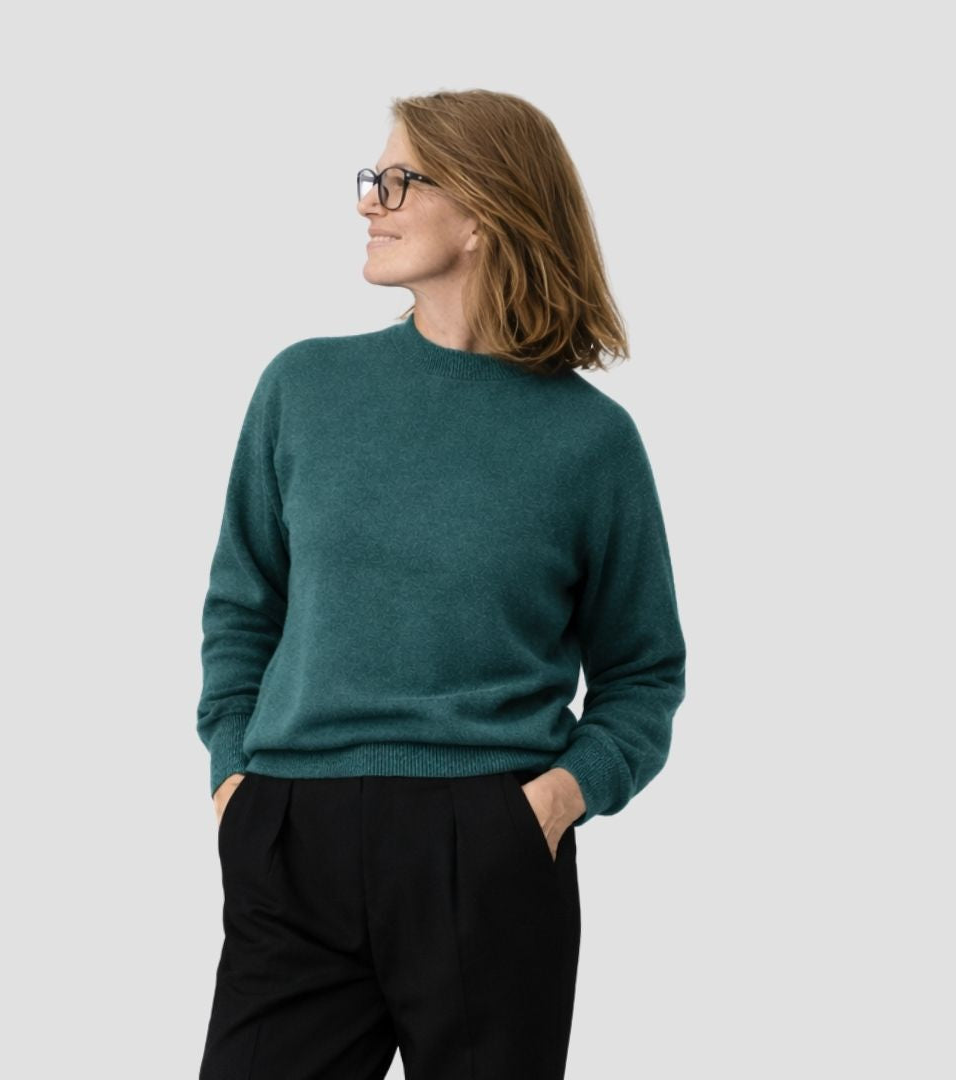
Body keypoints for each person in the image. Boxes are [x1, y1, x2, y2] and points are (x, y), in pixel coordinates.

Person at [195, 88, 687, 1079]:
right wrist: (234, 780)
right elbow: (242, 610)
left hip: (488, 840)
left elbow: (643, 673)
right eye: (371, 179)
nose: (367, 202)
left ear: (482, 215)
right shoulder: (305, 388)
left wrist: (558, 799)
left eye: (398, 181)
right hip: (292, 830)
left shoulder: (590, 441)